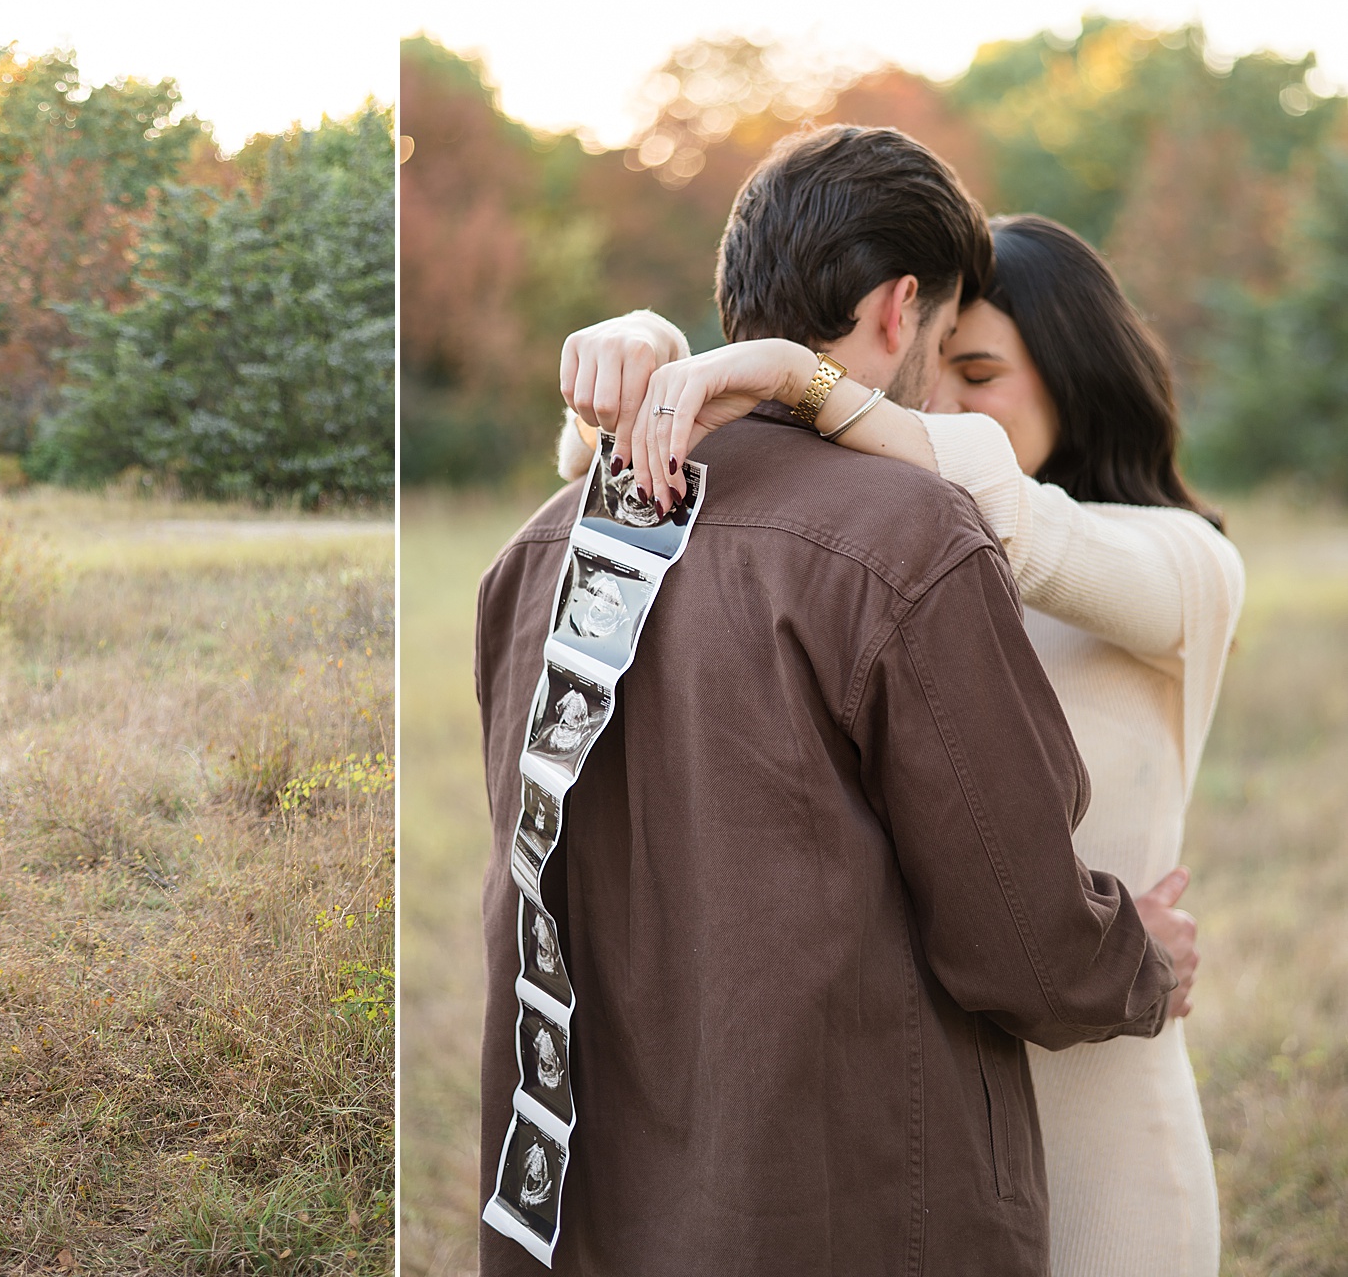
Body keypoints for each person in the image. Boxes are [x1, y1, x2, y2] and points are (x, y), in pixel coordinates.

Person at [474, 125, 1181, 1276]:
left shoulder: (538, 547)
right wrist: (1137, 955)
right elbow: (1023, 939)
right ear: (901, 309)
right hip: (852, 1205)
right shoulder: (909, 536)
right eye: (947, 338)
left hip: (595, 1210)